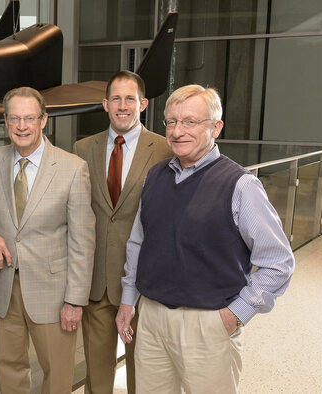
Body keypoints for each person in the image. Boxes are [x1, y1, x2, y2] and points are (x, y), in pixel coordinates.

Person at [116, 84, 295, 394]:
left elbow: (278, 263)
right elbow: (138, 244)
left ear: (216, 127)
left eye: (190, 122)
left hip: (209, 322)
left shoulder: (241, 185)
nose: (177, 131)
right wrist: (128, 301)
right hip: (153, 319)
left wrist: (235, 315)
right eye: (171, 122)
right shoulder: (154, 177)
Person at [0, 87, 95, 394]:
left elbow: (83, 241)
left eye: (29, 118)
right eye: (15, 118)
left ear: (43, 120)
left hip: (55, 294)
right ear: (5, 121)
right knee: (10, 368)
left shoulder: (73, 168)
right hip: (4, 288)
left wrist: (74, 300)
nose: (22, 126)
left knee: (57, 374)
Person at [73, 70, 172, 394]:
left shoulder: (164, 149)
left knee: (143, 374)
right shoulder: (82, 149)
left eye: (130, 98)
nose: (123, 105)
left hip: (145, 284)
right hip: (96, 283)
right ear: (105, 104)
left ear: (143, 103)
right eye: (116, 98)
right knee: (97, 376)